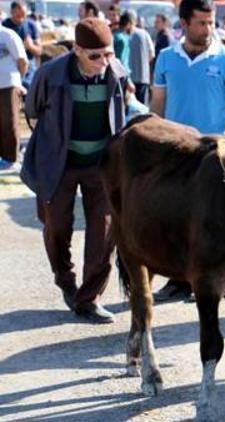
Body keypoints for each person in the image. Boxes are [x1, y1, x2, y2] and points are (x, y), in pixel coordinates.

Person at [21, 18, 130, 323]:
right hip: (60, 164)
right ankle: (66, 282)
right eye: (94, 56)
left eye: (107, 54)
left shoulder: (117, 73)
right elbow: (32, 111)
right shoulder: (50, 75)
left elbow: (126, 107)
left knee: (105, 231)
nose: (103, 62)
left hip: (101, 166)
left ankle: (89, 298)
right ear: (77, 50)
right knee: (56, 226)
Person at [150, 0, 225, 302]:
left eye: (211, 22)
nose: (208, 29)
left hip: (212, 152)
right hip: (174, 152)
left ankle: (209, 280)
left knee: (213, 219)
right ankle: (178, 279)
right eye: (201, 23)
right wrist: (156, 137)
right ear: (184, 24)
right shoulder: (166, 58)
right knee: (174, 216)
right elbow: (157, 102)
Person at [0, 24, 27, 169]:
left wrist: (18, 81)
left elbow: (22, 60)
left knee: (9, 122)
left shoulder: (8, 35)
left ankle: (11, 158)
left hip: (8, 84)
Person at [2, 1, 40, 89]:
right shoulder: (4, 26)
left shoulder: (31, 25)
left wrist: (31, 46)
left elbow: (39, 51)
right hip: (10, 67)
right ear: (11, 12)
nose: (21, 18)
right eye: (18, 15)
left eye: (23, 14)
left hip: (29, 68)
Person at [127, 11, 154, 104]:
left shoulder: (126, 35)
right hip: (143, 77)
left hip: (129, 78)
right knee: (143, 108)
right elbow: (152, 54)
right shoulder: (145, 34)